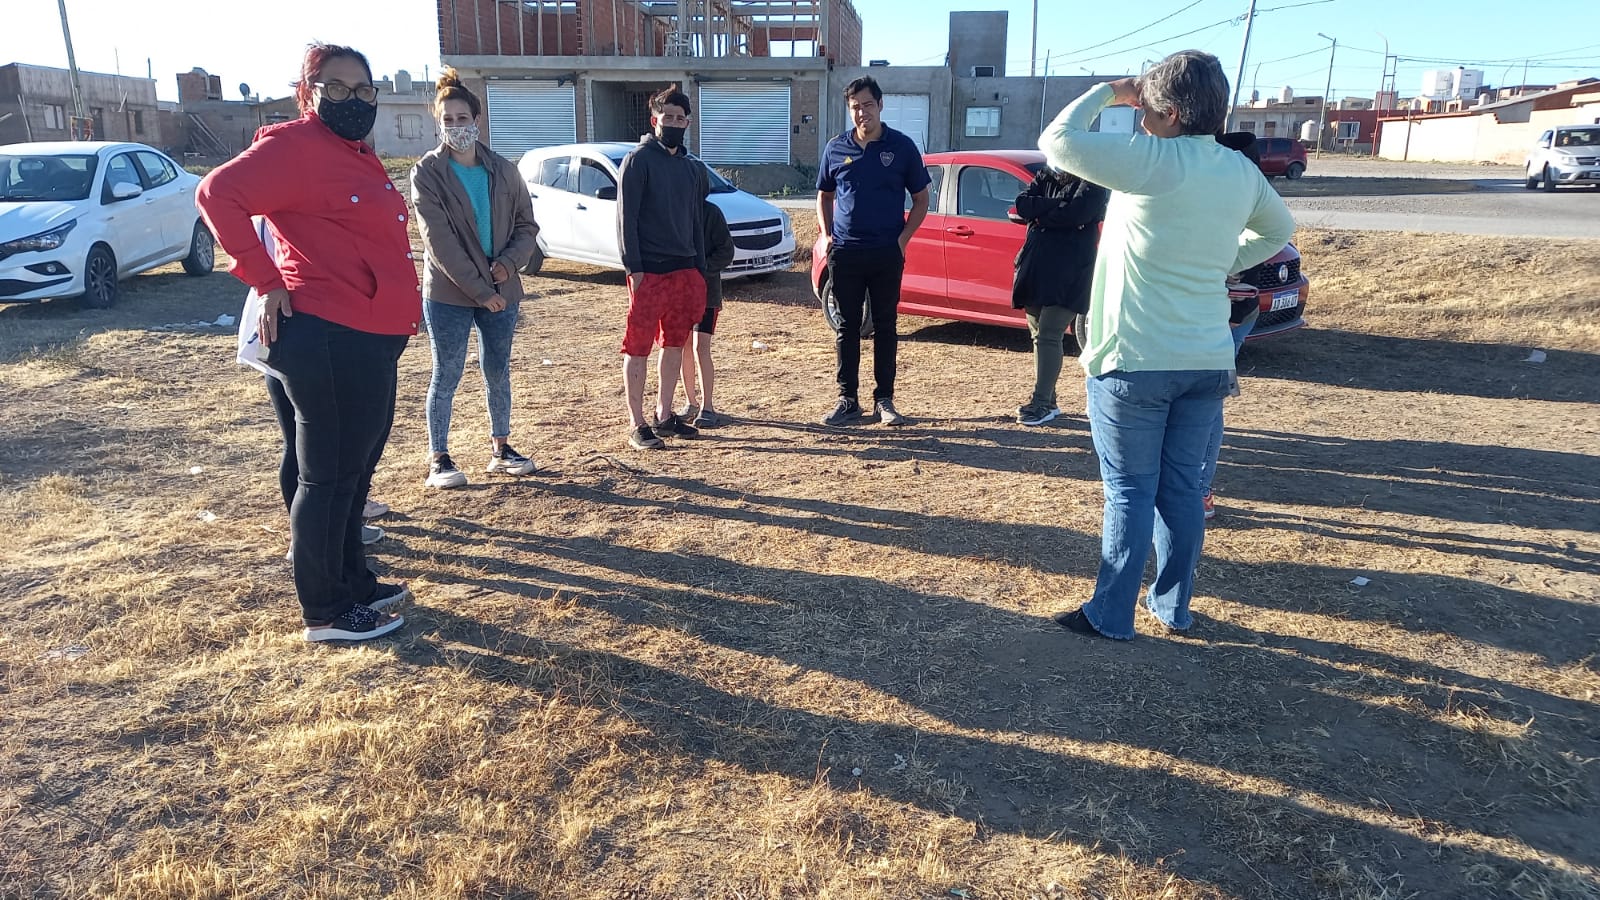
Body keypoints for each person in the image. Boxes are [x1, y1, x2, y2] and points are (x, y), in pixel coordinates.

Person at [1038, 51, 1295, 640]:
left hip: (1136, 358)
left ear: (1172, 113)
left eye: (1147, 111)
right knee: (1182, 490)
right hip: (1207, 357)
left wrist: (1109, 90)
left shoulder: (1152, 160)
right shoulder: (1237, 170)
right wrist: (1222, 264)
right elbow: (1279, 231)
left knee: (1130, 489)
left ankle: (1110, 614)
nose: (1141, 120)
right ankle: (1172, 606)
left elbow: (1058, 141)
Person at [197, 43, 419, 643]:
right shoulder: (294, 147)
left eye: (364, 89)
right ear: (309, 93)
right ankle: (325, 610)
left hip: (370, 333)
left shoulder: (352, 152)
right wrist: (265, 281)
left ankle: (351, 579)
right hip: (328, 333)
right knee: (328, 476)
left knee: (353, 470)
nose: (354, 100)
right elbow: (217, 195)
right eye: (338, 89)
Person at [410, 69, 542, 489]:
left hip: (502, 288)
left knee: (497, 370)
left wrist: (508, 264)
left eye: (461, 119)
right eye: (447, 120)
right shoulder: (426, 174)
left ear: (476, 121)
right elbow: (439, 243)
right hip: (450, 292)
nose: (455, 127)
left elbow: (527, 226)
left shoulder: (503, 170)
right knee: (446, 372)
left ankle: (501, 448)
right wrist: (483, 291)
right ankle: (440, 457)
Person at [817, 76, 931, 427]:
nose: (862, 112)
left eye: (867, 105)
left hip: (886, 252)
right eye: (855, 107)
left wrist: (903, 239)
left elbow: (922, 198)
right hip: (847, 253)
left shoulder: (902, 147)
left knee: (885, 326)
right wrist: (827, 234)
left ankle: (885, 400)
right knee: (847, 327)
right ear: (849, 110)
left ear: (880, 105)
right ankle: (847, 399)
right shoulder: (836, 148)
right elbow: (824, 194)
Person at [616, 84, 710, 450]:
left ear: (687, 122)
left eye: (679, 118)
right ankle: (637, 423)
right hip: (648, 272)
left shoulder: (690, 168)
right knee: (637, 347)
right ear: (655, 119)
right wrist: (634, 269)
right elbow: (627, 219)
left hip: (685, 270)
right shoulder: (638, 160)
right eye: (666, 116)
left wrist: (699, 269)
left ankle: (665, 414)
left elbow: (695, 221)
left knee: (675, 345)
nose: (672, 122)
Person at [1010, 166, 1109, 426]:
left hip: (1070, 269)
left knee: (1049, 333)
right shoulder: (1047, 174)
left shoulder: (1093, 179)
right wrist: (1058, 206)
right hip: (1035, 263)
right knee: (1037, 334)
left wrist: (1042, 214)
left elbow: (1079, 212)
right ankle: (1048, 399)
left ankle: (1041, 402)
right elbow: (1022, 204)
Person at [1201, 131, 1266, 519]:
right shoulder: (1246, 196)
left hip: (1227, 314)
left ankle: (1200, 489)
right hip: (1222, 312)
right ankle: (1194, 485)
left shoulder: (1241, 202)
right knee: (1204, 401)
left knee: (1207, 403)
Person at [678, 198, 735, 429]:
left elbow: (726, 251)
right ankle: (690, 402)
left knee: (701, 347)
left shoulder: (712, 213)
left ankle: (707, 406)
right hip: (681, 293)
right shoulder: (677, 211)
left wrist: (702, 270)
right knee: (683, 346)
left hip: (707, 294)